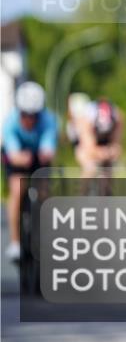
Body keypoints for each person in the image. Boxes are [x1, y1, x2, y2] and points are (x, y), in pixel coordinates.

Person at [2, 81, 57, 262]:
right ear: (20, 111)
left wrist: (45, 152)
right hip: (17, 158)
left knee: (44, 193)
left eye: (35, 115)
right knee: (17, 190)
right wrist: (19, 158)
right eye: (26, 115)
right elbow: (12, 152)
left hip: (37, 158)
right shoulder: (10, 122)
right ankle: (15, 242)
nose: (30, 119)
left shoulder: (49, 120)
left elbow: (49, 148)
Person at [68, 93, 123, 179]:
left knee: (108, 170)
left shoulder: (118, 117)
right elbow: (89, 148)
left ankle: (106, 190)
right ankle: (83, 191)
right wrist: (106, 153)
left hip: (103, 142)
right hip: (83, 141)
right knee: (90, 167)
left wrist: (111, 153)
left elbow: (116, 146)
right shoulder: (86, 119)